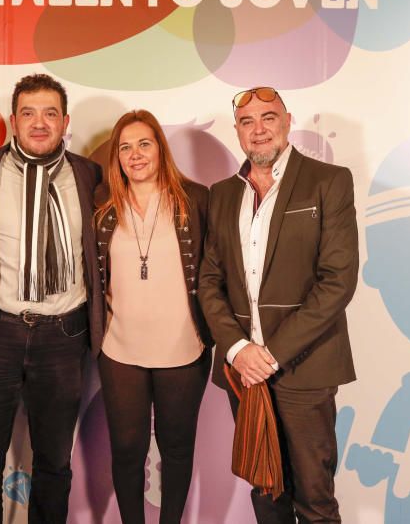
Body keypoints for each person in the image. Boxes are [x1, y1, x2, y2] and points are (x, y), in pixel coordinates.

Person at [198, 86, 358, 524]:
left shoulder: (328, 181)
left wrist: (269, 355)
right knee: (266, 493)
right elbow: (209, 282)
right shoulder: (222, 194)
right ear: (237, 132)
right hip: (243, 373)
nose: (258, 130)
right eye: (247, 122)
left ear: (287, 122)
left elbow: (337, 282)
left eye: (268, 118)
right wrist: (237, 350)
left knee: (315, 499)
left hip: (304, 369)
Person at [0, 73, 103, 524]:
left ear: (65, 122)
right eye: (28, 113)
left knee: (54, 464)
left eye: (50, 113)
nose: (39, 123)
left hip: (63, 334)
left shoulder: (88, 173)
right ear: (13, 122)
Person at [94, 110, 212, 524]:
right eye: (124, 147)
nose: (135, 154)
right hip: (120, 349)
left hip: (183, 347)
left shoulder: (196, 199)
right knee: (127, 450)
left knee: (177, 450)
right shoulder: (102, 204)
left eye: (144, 144)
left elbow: (215, 274)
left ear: (160, 148)